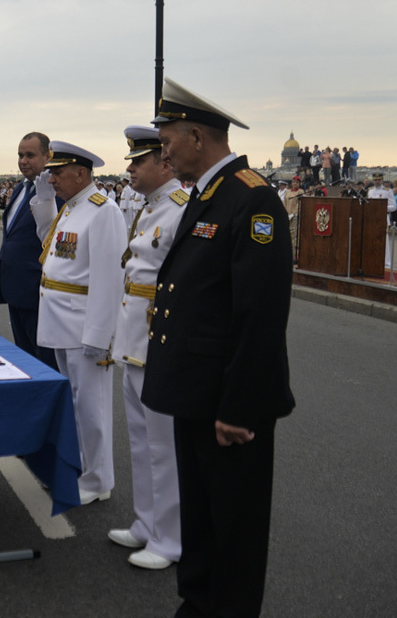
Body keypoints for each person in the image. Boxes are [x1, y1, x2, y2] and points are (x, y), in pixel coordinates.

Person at [142, 78, 295, 618]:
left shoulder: (251, 199)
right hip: (196, 394)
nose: (163, 150)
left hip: (228, 404)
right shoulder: (207, 194)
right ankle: (198, 603)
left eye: (168, 139)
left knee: (234, 529)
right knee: (202, 520)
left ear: (198, 136)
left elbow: (259, 315)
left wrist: (238, 407)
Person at [108, 125, 190, 571]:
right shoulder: (149, 207)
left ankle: (170, 539)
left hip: (159, 340)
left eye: (138, 162)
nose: (131, 169)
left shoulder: (180, 210)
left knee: (163, 444)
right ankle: (146, 523)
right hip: (135, 338)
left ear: (164, 163)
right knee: (140, 439)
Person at [33, 141, 125, 505]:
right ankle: (82, 468)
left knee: (92, 406)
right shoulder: (72, 209)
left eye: (57, 172)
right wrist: (43, 202)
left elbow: (109, 277)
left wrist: (101, 334)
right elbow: (48, 245)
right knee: (74, 402)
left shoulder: (103, 211)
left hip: (84, 324)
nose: (51, 178)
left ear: (81, 173)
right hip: (61, 321)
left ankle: (98, 479)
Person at [0, 132, 58, 369]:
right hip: (15, 287)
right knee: (24, 360)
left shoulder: (52, 191)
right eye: (20, 155)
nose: (23, 160)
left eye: (30, 155)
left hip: (37, 290)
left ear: (47, 156)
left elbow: (53, 236)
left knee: (43, 363)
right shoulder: (22, 188)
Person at [367, 173, 397, 269]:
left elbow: (394, 206)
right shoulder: (370, 191)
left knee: (384, 241)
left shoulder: (387, 191)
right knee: (372, 240)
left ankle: (387, 264)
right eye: (375, 180)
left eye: (379, 180)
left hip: (383, 217)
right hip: (372, 218)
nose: (377, 182)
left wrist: (382, 208)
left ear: (382, 180)